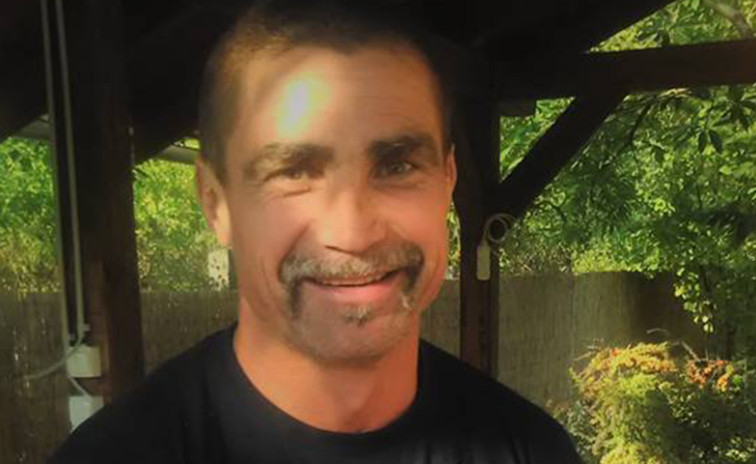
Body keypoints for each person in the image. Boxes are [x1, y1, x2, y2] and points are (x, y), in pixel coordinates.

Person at [50, 1, 582, 462]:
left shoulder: (531, 451)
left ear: (448, 180)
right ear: (216, 204)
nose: (353, 233)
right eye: (294, 172)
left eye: (397, 165)